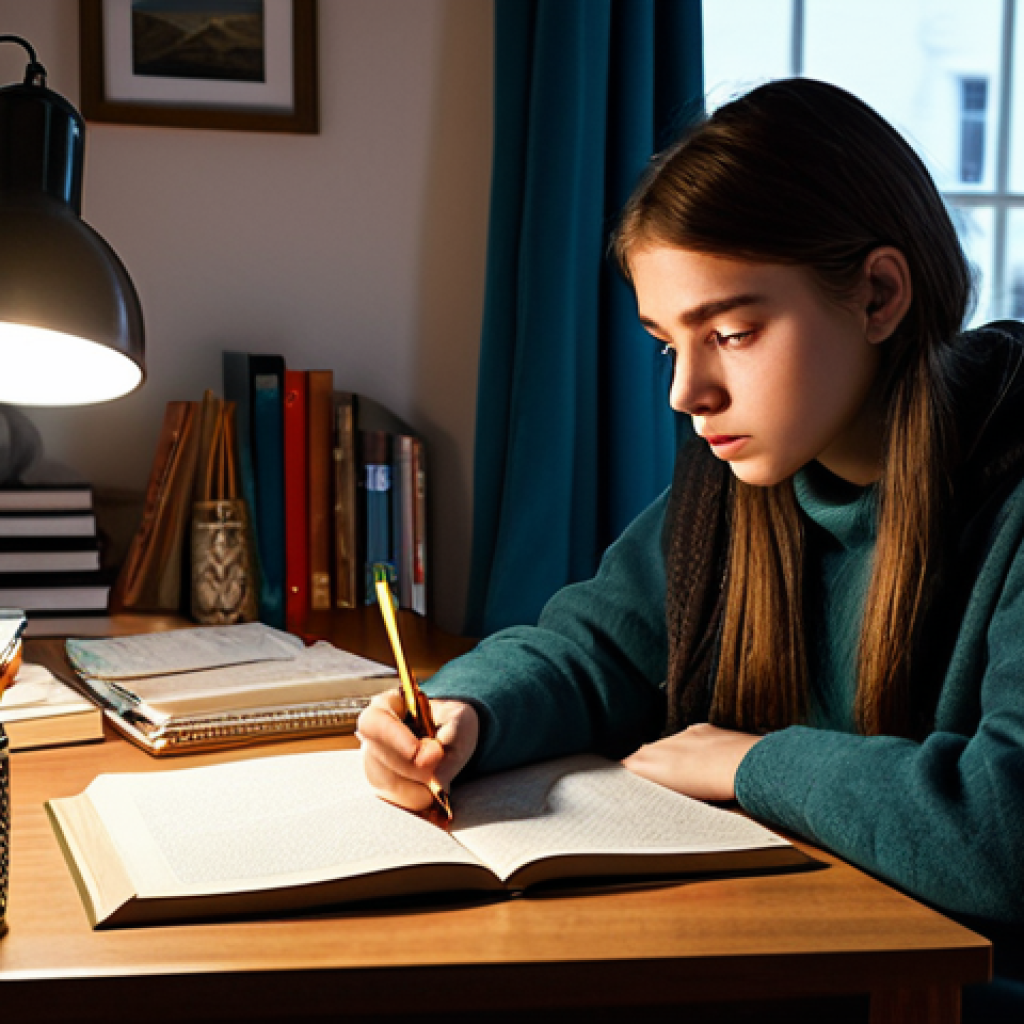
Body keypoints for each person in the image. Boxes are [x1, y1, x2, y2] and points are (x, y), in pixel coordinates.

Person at [357, 78, 1024, 1019]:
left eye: (734, 333)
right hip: (793, 953)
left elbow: (1003, 830)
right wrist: (468, 708)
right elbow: (591, 648)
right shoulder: (737, 484)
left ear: (877, 295)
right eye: (669, 345)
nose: (688, 393)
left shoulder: (1012, 493)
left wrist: (748, 763)